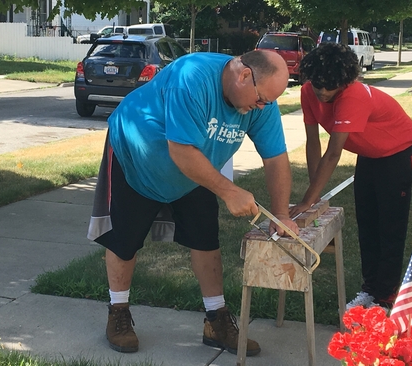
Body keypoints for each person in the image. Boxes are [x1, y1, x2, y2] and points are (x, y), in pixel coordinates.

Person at [87, 49, 300, 356]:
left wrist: (281, 214)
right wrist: (230, 192)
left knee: (205, 238)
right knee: (124, 240)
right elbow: (182, 151)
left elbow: (276, 157)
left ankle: (217, 321)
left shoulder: (261, 100)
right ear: (244, 76)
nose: (263, 106)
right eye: (262, 99)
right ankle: (118, 314)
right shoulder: (192, 78)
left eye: (268, 101)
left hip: (196, 166)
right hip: (136, 154)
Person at [289, 43, 412, 310]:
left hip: (396, 153)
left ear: (344, 82)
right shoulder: (308, 92)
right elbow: (313, 143)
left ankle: (385, 298)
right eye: (319, 85)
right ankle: (370, 289)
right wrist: (312, 196)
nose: (324, 92)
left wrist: (308, 200)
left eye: (331, 86)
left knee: (389, 227)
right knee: (367, 224)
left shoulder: (353, 96)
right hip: (369, 155)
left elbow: (333, 153)